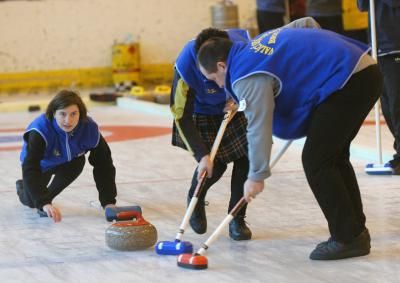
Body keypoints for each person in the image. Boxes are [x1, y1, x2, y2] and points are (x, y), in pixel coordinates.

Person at [195, 22, 382, 260]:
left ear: (222, 65)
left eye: (215, 79)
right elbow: (307, 24)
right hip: (363, 70)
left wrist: (256, 175)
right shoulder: (255, 46)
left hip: (349, 80)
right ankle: (354, 231)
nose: (219, 86)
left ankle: (347, 238)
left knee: (317, 161)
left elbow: (258, 127)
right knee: (332, 157)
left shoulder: (245, 75)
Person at [171, 28, 252, 241]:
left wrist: (239, 96)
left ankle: (236, 217)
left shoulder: (242, 48)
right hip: (201, 111)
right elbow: (180, 115)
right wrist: (202, 156)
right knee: (216, 164)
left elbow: (256, 80)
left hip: (233, 107)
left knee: (247, 157)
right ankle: (195, 199)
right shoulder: (185, 67)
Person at [16, 90, 117, 223]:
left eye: (73, 114)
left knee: (77, 164)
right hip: (41, 166)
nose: (68, 120)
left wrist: (108, 202)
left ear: (80, 114)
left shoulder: (89, 129)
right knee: (32, 202)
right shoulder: (40, 130)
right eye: (62, 114)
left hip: (70, 163)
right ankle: (22, 186)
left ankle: (46, 200)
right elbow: (30, 166)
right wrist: (43, 202)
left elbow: (104, 165)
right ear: (54, 113)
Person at [358, 0, 400, 174]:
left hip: (396, 45)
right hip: (379, 46)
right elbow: (362, 6)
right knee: (388, 107)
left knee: (397, 105)